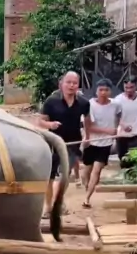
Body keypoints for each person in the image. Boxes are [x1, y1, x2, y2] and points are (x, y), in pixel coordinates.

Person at [39, 71, 91, 217]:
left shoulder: (83, 103)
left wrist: (87, 136)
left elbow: (87, 120)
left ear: (78, 85)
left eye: (75, 83)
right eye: (68, 82)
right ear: (61, 84)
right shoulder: (51, 101)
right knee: (50, 177)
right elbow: (40, 121)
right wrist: (50, 124)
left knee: (64, 176)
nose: (71, 85)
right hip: (52, 143)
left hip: (72, 144)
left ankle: (57, 203)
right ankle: (48, 207)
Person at [81, 79, 119, 208]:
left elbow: (119, 116)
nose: (103, 93)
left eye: (106, 90)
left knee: (96, 171)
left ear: (110, 91)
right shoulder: (89, 105)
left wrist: (118, 129)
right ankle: (87, 188)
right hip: (91, 142)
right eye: (101, 90)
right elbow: (88, 126)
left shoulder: (115, 105)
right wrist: (107, 131)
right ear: (96, 91)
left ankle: (87, 198)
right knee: (86, 172)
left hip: (106, 144)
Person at [115, 77, 137, 162]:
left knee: (135, 159)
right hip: (122, 134)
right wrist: (123, 125)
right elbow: (116, 116)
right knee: (123, 159)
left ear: (136, 86)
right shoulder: (118, 100)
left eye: (131, 87)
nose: (129, 90)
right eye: (126, 88)